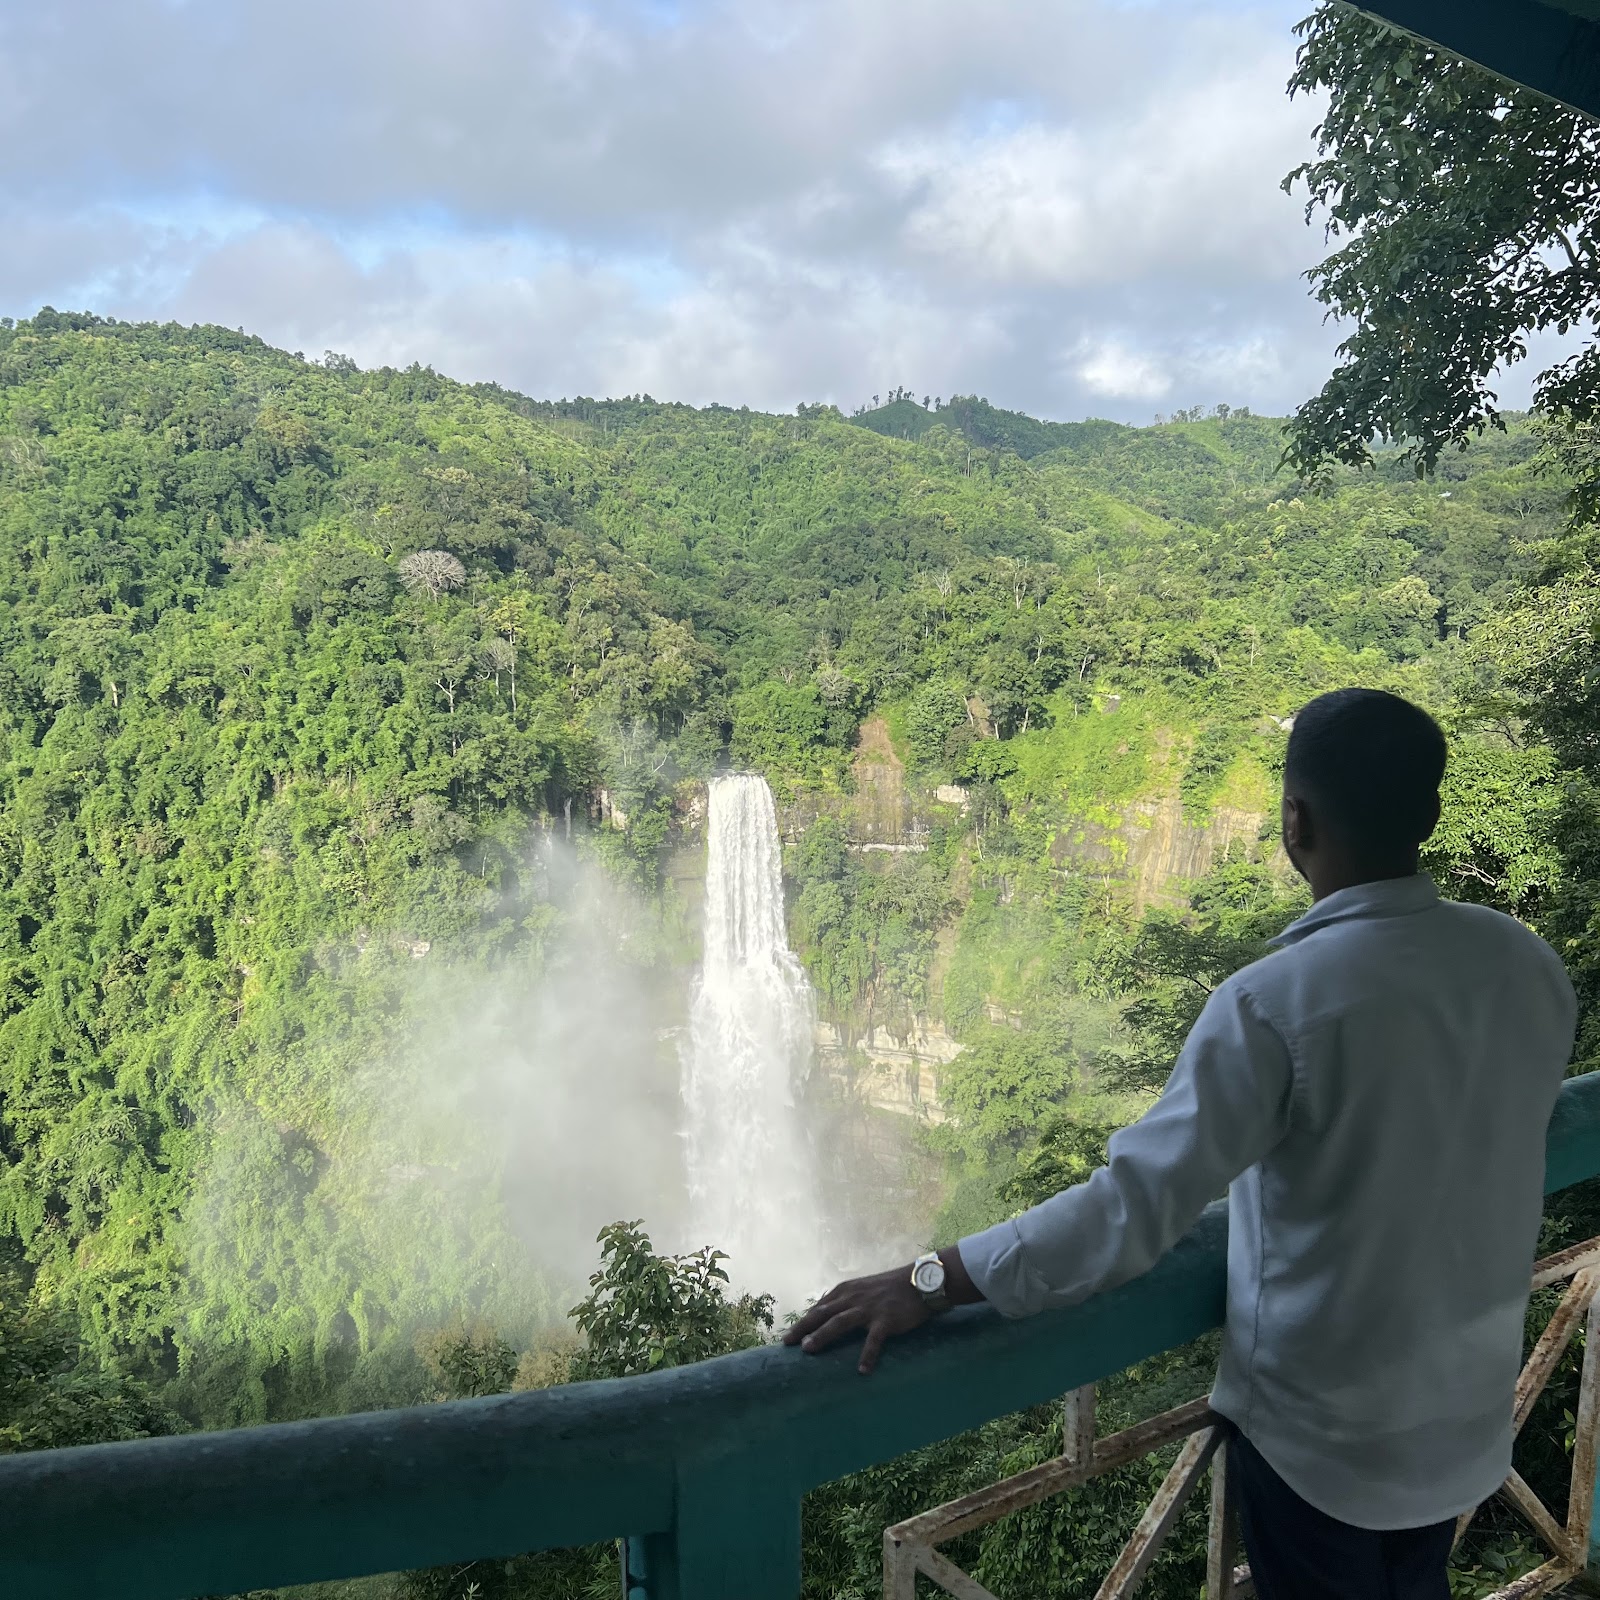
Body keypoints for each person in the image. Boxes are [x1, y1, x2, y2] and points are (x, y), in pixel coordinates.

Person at [785, 688, 1578, 1599]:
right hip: (1464, 1416)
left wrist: (932, 1279)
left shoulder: (1274, 1002)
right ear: (1430, 815)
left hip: (1322, 1447)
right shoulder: (1527, 965)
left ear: (1295, 820)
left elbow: (1132, 1209)